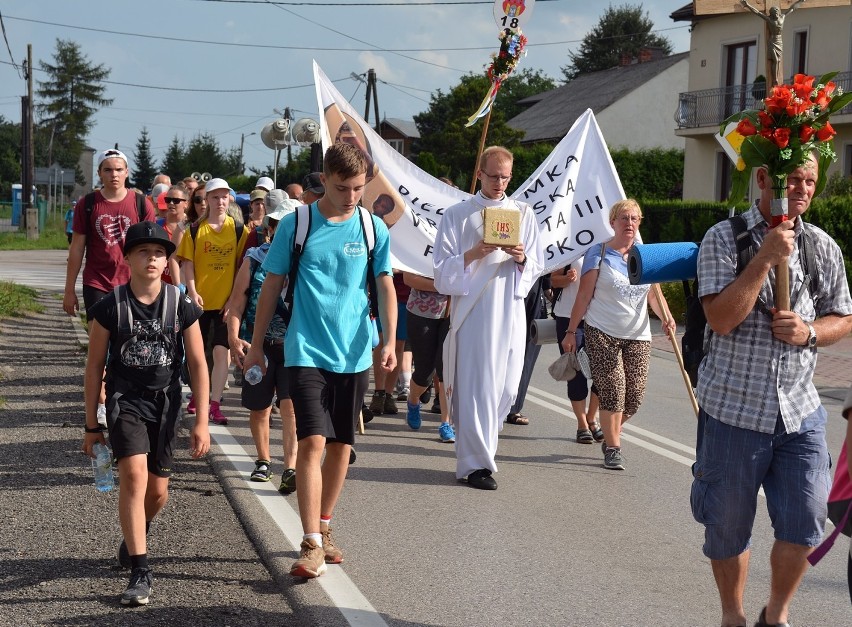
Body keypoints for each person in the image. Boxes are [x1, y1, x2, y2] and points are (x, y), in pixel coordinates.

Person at [690, 154, 852, 627]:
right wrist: (764, 258)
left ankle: (775, 616)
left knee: (807, 521)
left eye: (810, 181)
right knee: (726, 529)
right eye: (792, 180)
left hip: (799, 411)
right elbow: (720, 319)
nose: (802, 189)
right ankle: (733, 616)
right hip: (733, 411)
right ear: (763, 180)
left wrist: (810, 332)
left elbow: (843, 317)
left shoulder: (822, 246)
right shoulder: (723, 238)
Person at [243, 142, 397, 579]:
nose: (351, 196)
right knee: (311, 442)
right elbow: (271, 286)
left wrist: (386, 340)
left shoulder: (372, 229)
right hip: (304, 349)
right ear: (324, 180)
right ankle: (310, 541)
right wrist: (256, 344)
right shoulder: (299, 224)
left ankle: (325, 527)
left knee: (341, 447)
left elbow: (384, 285)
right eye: (343, 187)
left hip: (353, 353)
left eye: (358, 188)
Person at [82, 220, 210, 607]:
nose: (152, 258)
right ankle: (141, 570)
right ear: (128, 258)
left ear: (167, 260)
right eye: (144, 252)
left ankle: (138, 529)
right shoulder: (110, 306)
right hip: (126, 401)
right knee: (134, 479)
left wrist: (201, 420)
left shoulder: (180, 303)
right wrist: (91, 425)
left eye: (159, 253)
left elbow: (200, 364)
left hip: (167, 403)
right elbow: (93, 367)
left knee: (157, 491)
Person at [432, 145, 543, 491]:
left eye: (505, 177)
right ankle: (476, 465)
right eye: (493, 176)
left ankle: (480, 451)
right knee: (478, 387)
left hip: (509, 310)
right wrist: (475, 252)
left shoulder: (522, 213)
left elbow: (537, 266)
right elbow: (440, 271)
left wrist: (522, 257)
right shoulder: (458, 215)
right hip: (475, 312)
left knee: (506, 388)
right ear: (480, 173)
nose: (499, 182)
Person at [562, 199, 675, 471]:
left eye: (634, 218)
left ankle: (609, 429)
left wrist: (667, 318)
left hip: (638, 335)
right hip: (602, 331)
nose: (629, 223)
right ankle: (613, 447)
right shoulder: (598, 253)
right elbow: (584, 295)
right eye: (624, 218)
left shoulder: (645, 255)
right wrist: (570, 331)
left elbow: (654, 294)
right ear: (612, 222)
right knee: (613, 392)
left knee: (634, 398)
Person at [64, 148, 157, 425]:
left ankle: (127, 396)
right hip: (97, 282)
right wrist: (69, 289)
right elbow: (77, 247)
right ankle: (103, 402)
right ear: (100, 173)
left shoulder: (141, 204)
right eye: (108, 169)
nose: (114, 175)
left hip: (132, 284)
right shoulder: (88, 203)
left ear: (126, 172)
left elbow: (154, 249)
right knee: (99, 345)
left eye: (118, 169)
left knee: (129, 343)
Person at [225, 198, 299, 493]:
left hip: (294, 346)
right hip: (258, 345)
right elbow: (237, 301)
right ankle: (264, 461)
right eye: (280, 225)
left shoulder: (306, 261)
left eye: (290, 226)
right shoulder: (254, 258)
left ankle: (291, 466)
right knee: (260, 408)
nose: (284, 231)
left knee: (291, 407)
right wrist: (233, 337)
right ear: (271, 227)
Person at [175, 177, 248, 425]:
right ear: (206, 200)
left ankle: (214, 404)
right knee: (199, 355)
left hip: (226, 305)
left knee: (220, 353)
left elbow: (242, 267)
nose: (220, 201)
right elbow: (188, 264)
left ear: (230, 199)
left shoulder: (239, 230)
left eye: (224, 197)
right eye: (215, 197)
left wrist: (234, 299)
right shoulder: (195, 230)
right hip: (199, 303)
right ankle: (199, 396)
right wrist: (192, 292)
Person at [551, 257, 602, 444]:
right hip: (568, 316)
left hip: (601, 316)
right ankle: (582, 425)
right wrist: (567, 279)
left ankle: (592, 418)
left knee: (602, 371)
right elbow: (553, 279)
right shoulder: (573, 243)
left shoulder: (608, 243)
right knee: (576, 372)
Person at [401, 271, 454, 442]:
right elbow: (408, 279)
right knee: (424, 373)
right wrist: (445, 285)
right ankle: (413, 400)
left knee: (447, 368)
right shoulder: (422, 243)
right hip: (421, 311)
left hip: (455, 314)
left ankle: (446, 423)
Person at [505, 274, 550, 425]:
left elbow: (550, 280)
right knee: (502, 354)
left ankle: (514, 408)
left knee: (527, 358)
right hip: (509, 292)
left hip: (535, 297)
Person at [740, 0, 806, 87]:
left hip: (779, 41)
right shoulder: (769, 19)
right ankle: (775, 79)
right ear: (771, 13)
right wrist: (747, 5)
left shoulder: (782, 17)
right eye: (774, 11)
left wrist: (800, 1)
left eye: (777, 11)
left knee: (778, 61)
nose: (776, 13)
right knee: (776, 60)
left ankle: (776, 79)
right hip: (772, 41)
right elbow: (757, 12)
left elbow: (792, 8)